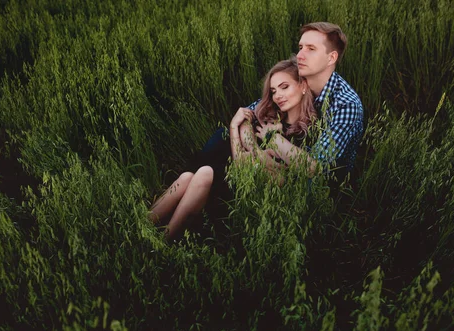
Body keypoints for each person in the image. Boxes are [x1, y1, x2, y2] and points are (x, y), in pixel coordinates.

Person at [149, 58, 316, 240]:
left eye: (284, 87)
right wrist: (234, 128)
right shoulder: (267, 118)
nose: (277, 96)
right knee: (187, 176)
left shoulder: (309, 131)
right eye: (274, 91)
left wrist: (265, 147)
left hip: (252, 196)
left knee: (203, 173)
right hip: (237, 179)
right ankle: (143, 229)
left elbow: (292, 176)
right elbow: (240, 161)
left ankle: (162, 242)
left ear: (303, 86)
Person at [230, 22, 364, 178]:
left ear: (331, 58)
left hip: (323, 188)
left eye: (311, 49)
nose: (300, 55)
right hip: (286, 164)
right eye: (301, 48)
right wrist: (256, 151)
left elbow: (315, 168)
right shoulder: (300, 79)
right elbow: (249, 114)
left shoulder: (346, 104)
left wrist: (271, 138)